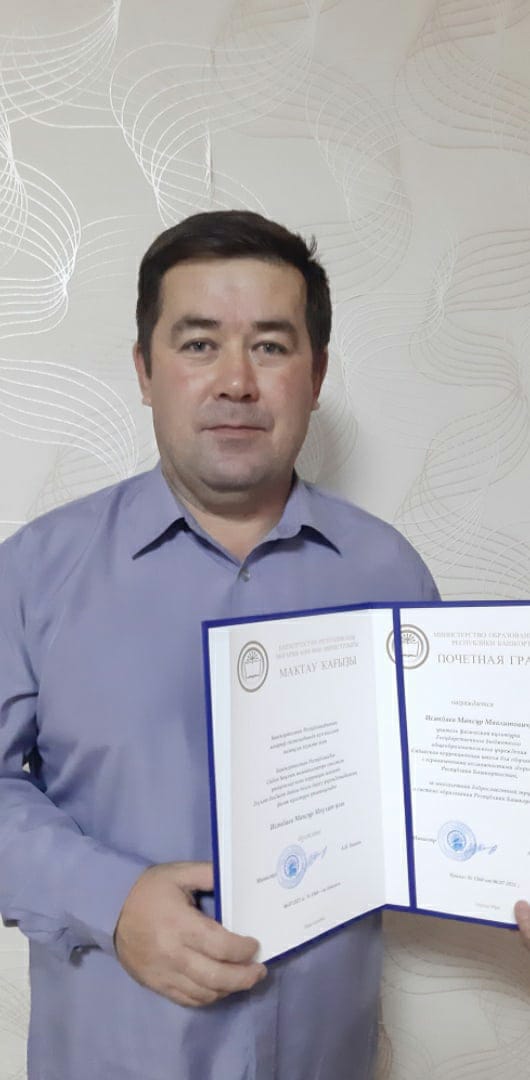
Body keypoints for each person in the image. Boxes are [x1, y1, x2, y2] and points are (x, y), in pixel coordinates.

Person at [0, 210, 443, 1080]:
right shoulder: (34, 572)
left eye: (271, 347)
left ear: (315, 375)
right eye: (199, 344)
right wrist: (109, 900)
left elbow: (448, 791)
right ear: (145, 369)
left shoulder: (391, 571)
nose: (237, 382)